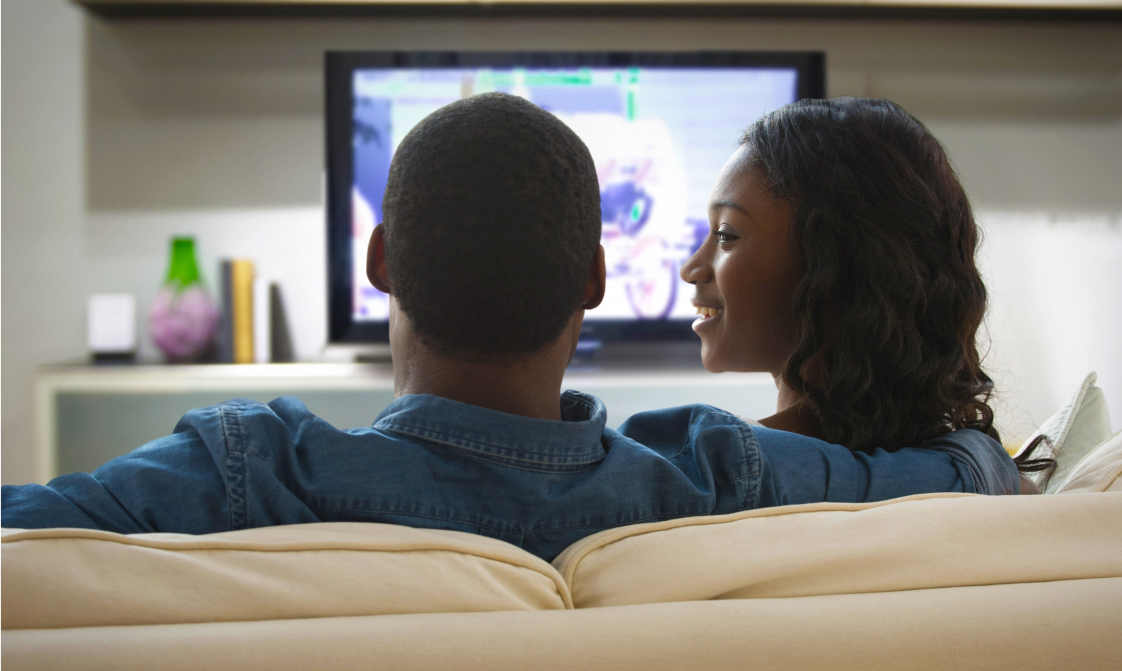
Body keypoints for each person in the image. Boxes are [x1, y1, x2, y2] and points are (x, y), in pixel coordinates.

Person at [0, 93, 1020, 562]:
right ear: (592, 278)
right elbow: (959, 475)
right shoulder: (721, 473)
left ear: (380, 263)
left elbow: (29, 522)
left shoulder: (243, 467)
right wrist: (987, 445)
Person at [681, 96, 1050, 491]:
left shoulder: (702, 471)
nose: (691, 269)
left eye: (726, 235)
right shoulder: (993, 481)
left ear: (839, 268)